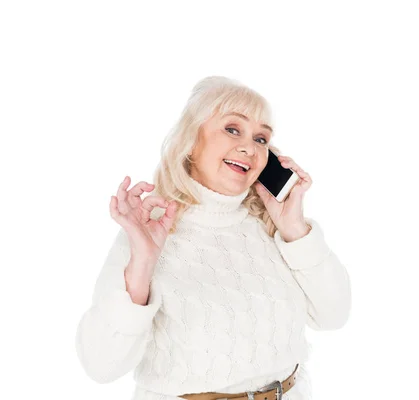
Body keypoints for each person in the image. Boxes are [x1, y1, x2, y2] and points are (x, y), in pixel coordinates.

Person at [75, 76, 352, 400]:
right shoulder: (148, 231)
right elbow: (100, 366)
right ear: (192, 140)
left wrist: (294, 229)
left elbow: (334, 316)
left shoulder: (274, 225)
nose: (249, 147)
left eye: (261, 138)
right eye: (232, 129)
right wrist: (144, 263)